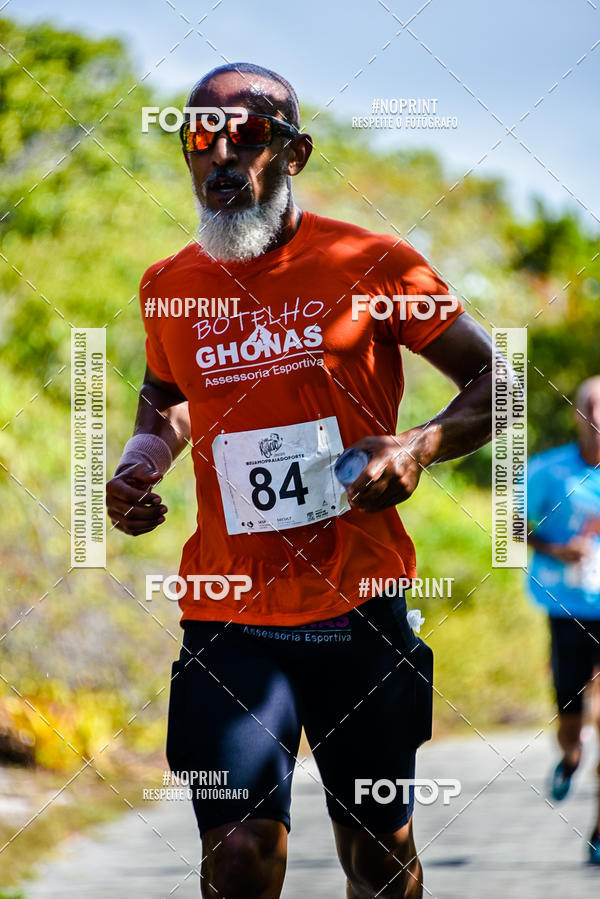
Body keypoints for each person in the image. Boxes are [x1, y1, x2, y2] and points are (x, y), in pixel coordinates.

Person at [106, 62, 493, 899]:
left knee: (380, 858)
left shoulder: (372, 260)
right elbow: (166, 403)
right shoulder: (170, 286)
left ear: (296, 152)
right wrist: (145, 457)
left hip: (359, 607)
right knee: (239, 852)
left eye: (246, 137)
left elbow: (501, 380)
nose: (220, 158)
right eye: (199, 139)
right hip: (228, 613)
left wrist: (418, 447)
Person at [527, 375, 600, 865]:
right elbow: (508, 527)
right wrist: (556, 548)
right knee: (571, 715)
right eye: (590, 406)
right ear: (576, 414)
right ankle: (571, 755)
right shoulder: (547, 470)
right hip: (567, 609)